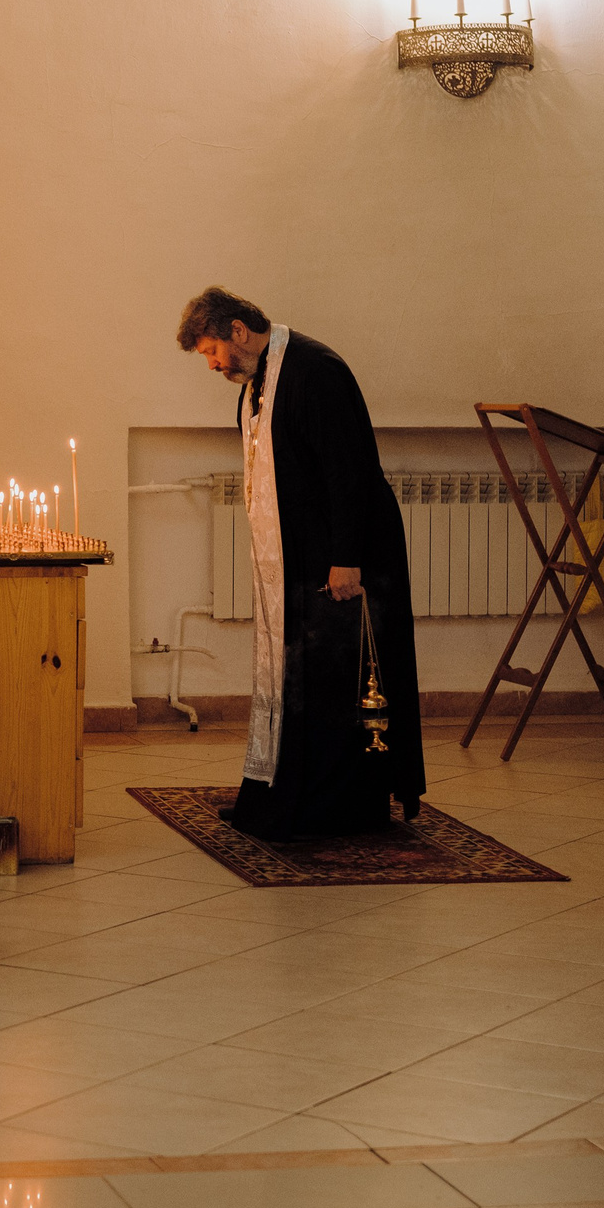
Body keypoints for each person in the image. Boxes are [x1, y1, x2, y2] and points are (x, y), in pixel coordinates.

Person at [178, 286, 423, 839]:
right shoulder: (260, 380)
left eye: (213, 351)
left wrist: (346, 560)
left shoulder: (317, 371)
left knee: (341, 675)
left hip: (343, 553)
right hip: (300, 553)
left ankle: (338, 804)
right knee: (301, 674)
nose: (214, 364)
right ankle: (281, 786)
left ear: (238, 330)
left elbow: (347, 471)